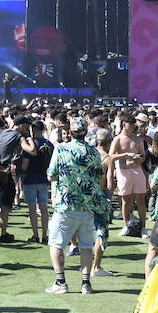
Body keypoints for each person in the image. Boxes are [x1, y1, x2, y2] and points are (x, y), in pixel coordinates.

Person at [45, 117, 104, 295]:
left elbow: (51, 175)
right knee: (86, 245)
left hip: (65, 205)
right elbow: (99, 175)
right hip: (87, 206)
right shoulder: (94, 152)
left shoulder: (61, 149)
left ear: (70, 132)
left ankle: (60, 281)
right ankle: (86, 283)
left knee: (56, 244)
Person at [19, 119, 53, 244]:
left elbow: (24, 165)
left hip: (30, 178)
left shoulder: (30, 144)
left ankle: (35, 235)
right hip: (44, 178)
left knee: (32, 209)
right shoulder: (49, 144)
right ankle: (45, 235)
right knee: (44, 208)